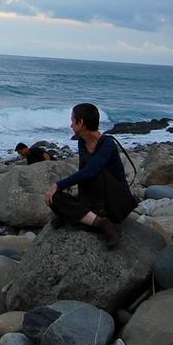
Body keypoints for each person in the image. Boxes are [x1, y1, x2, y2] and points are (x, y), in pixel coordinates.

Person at [44, 103, 128, 248]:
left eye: (72, 120)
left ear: (81, 122)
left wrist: (58, 184)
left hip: (116, 200)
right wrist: (58, 192)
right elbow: (82, 172)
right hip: (94, 199)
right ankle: (102, 223)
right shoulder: (82, 142)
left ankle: (78, 216)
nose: (71, 125)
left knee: (94, 171)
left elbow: (89, 172)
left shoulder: (107, 143)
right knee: (53, 198)